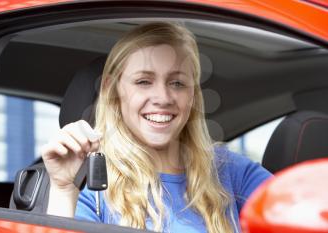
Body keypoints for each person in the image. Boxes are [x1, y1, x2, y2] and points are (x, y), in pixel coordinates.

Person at [42, 22, 272, 233]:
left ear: (193, 95)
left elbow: (296, 209)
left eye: (177, 83)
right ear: (112, 88)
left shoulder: (231, 172)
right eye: (144, 81)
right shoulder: (94, 187)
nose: (163, 97)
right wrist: (63, 189)